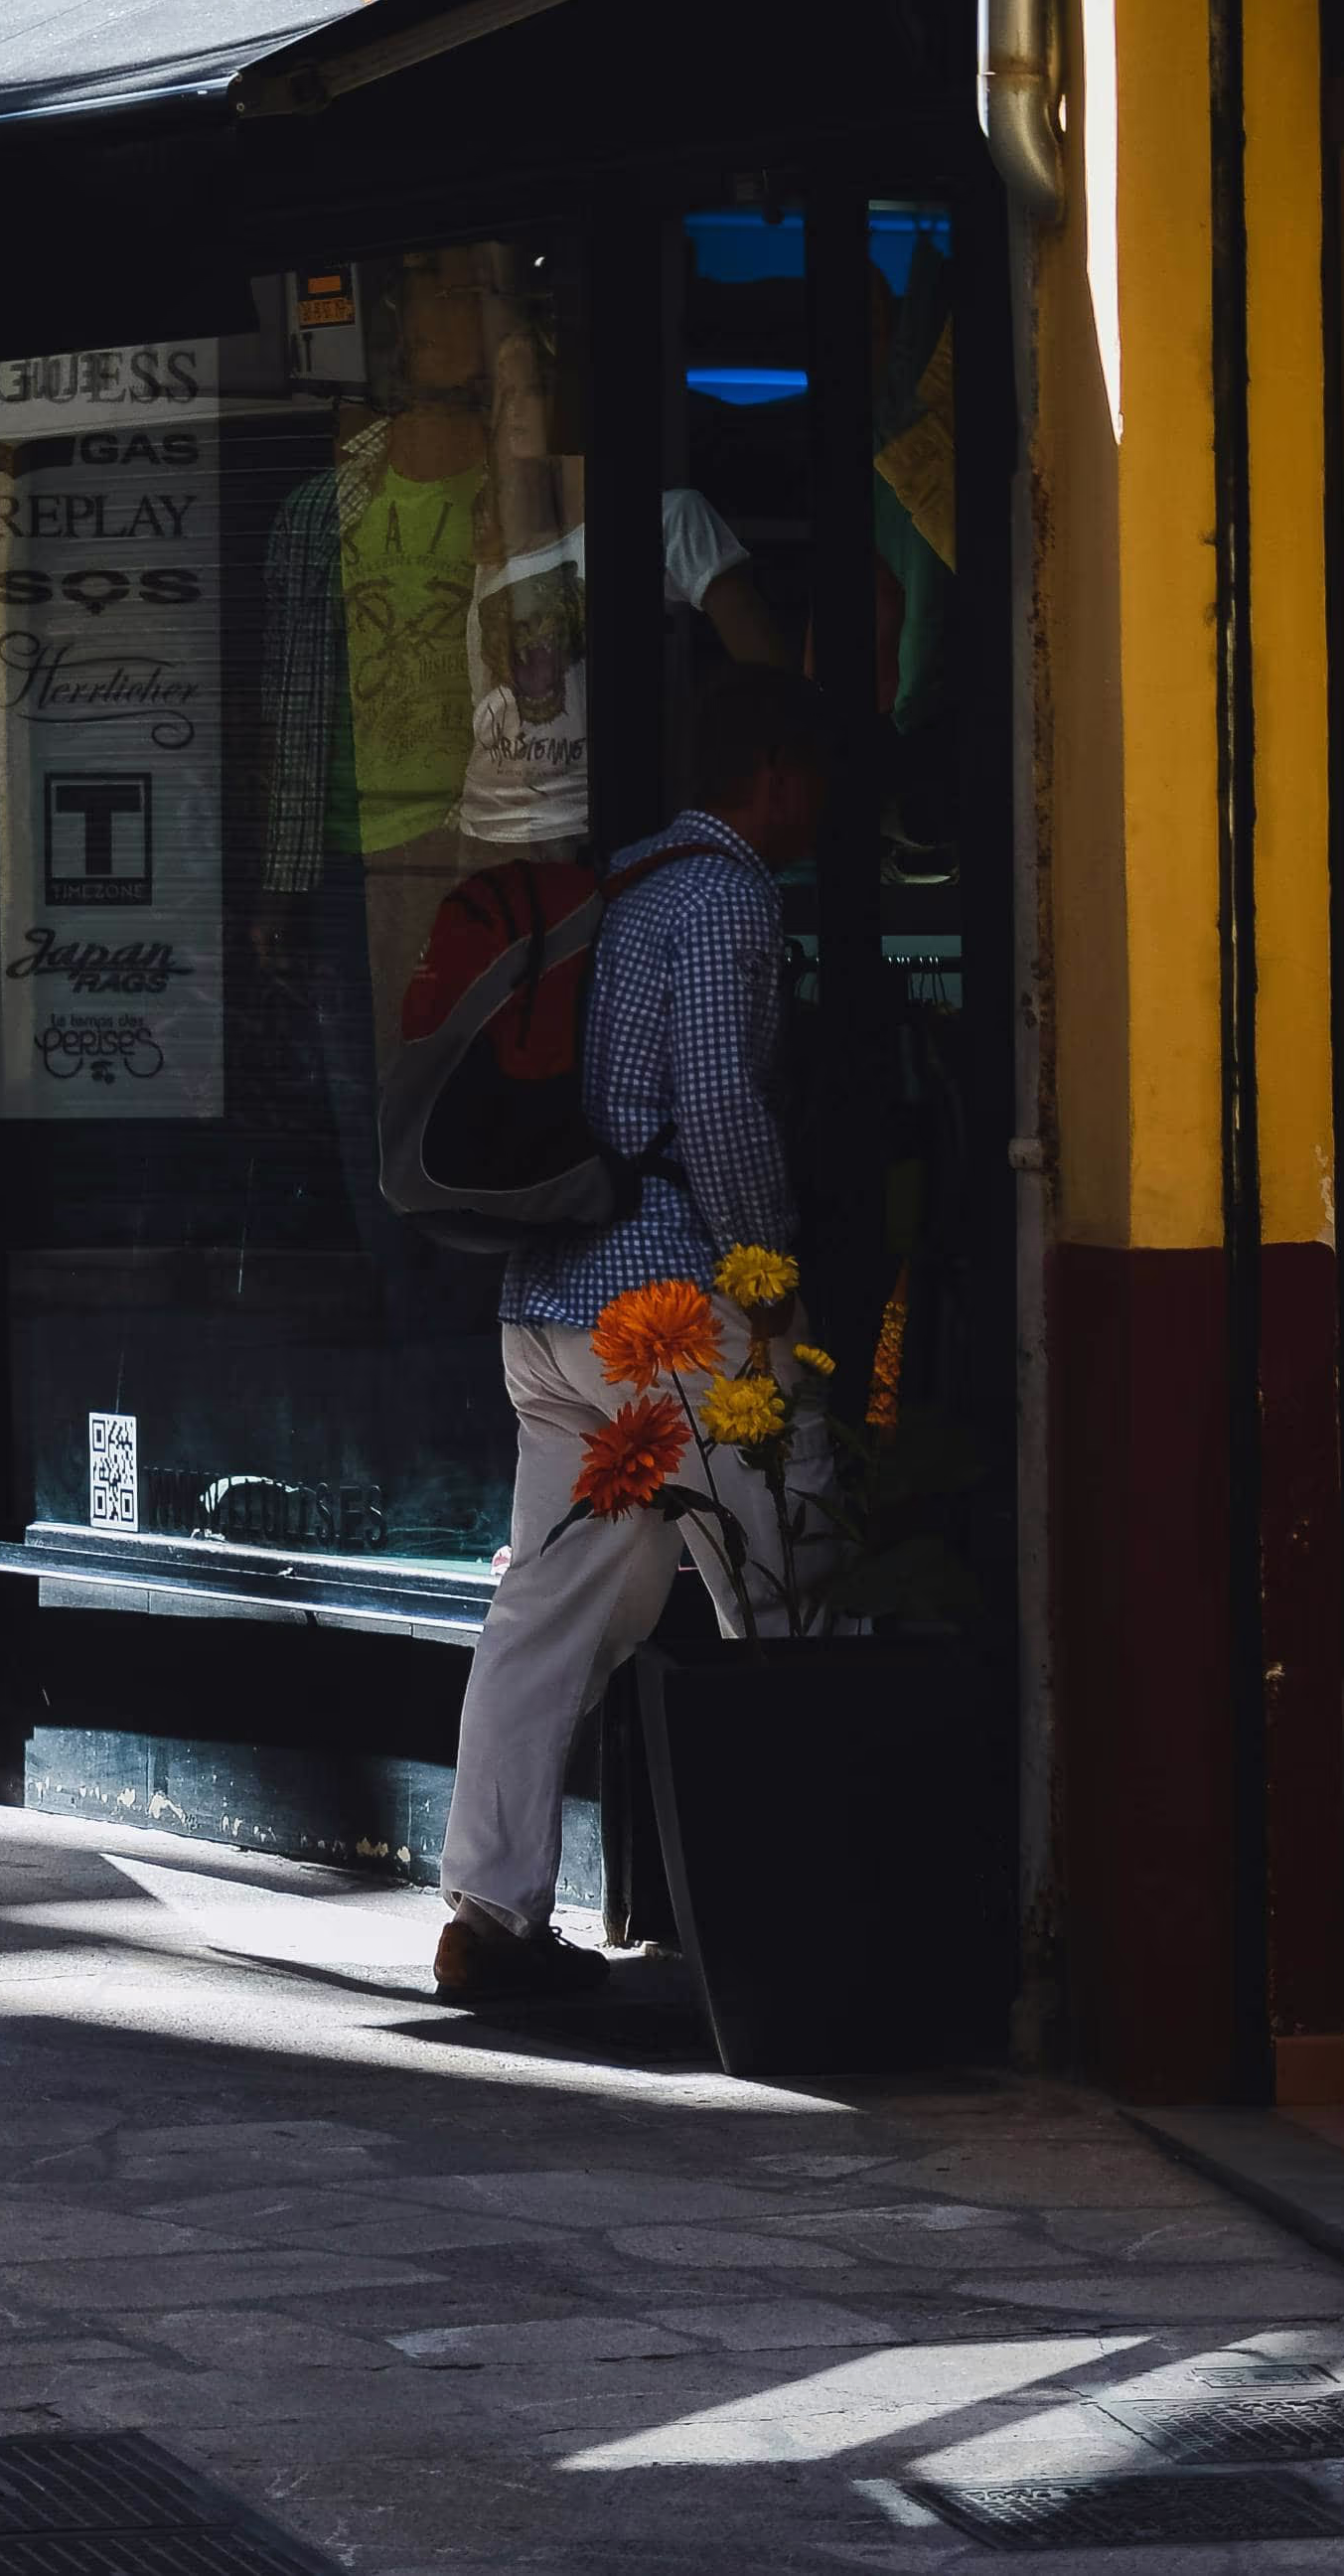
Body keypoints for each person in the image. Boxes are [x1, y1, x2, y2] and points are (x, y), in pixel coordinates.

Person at [428, 672, 831, 2020]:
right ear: (773, 776)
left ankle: (486, 1912)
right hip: (662, 1314)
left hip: (545, 1309)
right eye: (815, 784)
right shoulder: (722, 894)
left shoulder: (618, 881)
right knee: (788, 1583)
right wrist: (768, 1275)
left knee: (544, 1616)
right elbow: (717, 1101)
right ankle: (795, 1903)